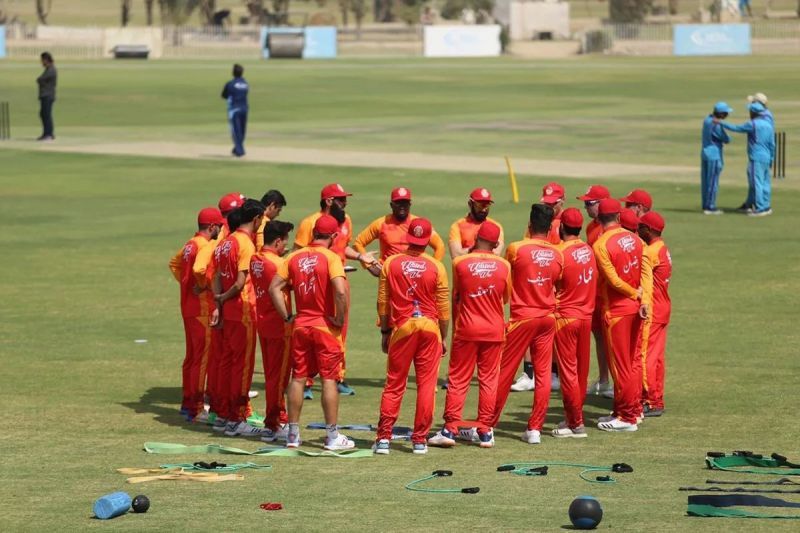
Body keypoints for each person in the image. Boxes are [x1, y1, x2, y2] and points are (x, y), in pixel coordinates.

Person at [269, 215, 355, 450]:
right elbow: (339, 291)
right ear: (334, 236)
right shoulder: (331, 258)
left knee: (298, 377)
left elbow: (273, 287)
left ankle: (293, 435)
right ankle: (332, 436)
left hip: (301, 325)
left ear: (313, 233)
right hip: (325, 328)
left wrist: (287, 315)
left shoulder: (293, 257)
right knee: (329, 378)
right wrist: (339, 317)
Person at [428, 221, 510, 449]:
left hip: (467, 329)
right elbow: (505, 298)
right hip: (494, 330)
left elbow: (457, 295)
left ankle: (450, 429)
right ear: (495, 244)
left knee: (458, 379)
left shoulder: (460, 263)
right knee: (489, 379)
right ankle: (485, 431)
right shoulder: (504, 266)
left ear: (476, 240)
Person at [373, 218, 450, 455]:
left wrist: (385, 331)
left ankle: (384, 438)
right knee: (427, 386)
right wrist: (443, 337)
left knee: (395, 384)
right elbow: (444, 308)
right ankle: (419, 440)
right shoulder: (437, 266)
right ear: (427, 240)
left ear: (408, 237)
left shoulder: (391, 263)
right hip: (430, 329)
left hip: (402, 328)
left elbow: (383, 303)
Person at [492, 204, 563, 445]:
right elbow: (558, 282)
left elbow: (502, 273)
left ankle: (489, 424)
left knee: (505, 370)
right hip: (547, 318)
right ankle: (535, 429)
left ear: (530, 225)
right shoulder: (557, 253)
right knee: (543, 375)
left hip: (523, 317)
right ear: (551, 227)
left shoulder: (516, 248)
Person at [294, 183, 363, 396]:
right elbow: (298, 252)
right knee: (315, 329)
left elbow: (344, 247)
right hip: (316, 284)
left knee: (339, 331)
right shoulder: (310, 223)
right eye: (341, 200)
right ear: (329, 201)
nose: (345, 203)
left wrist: (361, 257)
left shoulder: (346, 220)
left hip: (340, 281)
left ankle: (337, 376)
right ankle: (306, 379)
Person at [592, 198, 651, 432]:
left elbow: (613, 280)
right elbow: (646, 273)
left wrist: (632, 292)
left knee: (620, 366)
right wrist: (643, 298)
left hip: (617, 311)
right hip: (637, 308)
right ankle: (632, 411)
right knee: (633, 363)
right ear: (618, 217)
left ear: (598, 219)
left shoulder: (600, 244)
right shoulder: (636, 239)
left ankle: (626, 418)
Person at [211, 199, 265, 437]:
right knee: (242, 367)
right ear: (256, 219)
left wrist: (218, 299)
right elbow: (241, 281)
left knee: (227, 364)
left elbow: (215, 276)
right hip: (243, 310)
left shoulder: (225, 242)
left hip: (229, 312)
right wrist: (224, 297)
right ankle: (237, 418)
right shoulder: (245, 243)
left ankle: (223, 415)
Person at [168, 207, 225, 421]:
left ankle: (187, 403)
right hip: (202, 309)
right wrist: (203, 286)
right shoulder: (206, 245)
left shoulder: (190, 244)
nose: (220, 229)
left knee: (192, 357)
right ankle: (197, 408)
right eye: (219, 226)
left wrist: (185, 284)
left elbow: (174, 264)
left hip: (188, 307)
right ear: (211, 226)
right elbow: (199, 271)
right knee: (201, 359)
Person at [552, 208, 597, 438]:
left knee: (568, 372)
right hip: (585, 317)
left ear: (562, 227)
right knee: (580, 372)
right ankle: (573, 417)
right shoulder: (588, 250)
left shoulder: (560, 253)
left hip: (566, 317)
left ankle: (575, 424)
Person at [249, 220, 295, 442]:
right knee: (280, 377)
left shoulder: (256, 259)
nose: (286, 246)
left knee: (271, 375)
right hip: (280, 326)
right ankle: (274, 423)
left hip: (263, 323)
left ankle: (278, 418)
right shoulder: (278, 264)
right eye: (285, 242)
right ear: (277, 241)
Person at [353, 187, 446, 277]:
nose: (402, 206)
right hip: (389, 276)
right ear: (391, 205)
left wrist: (432, 268)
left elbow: (439, 246)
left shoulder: (419, 225)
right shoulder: (381, 224)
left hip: (413, 274)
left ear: (410, 204)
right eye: (398, 203)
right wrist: (369, 266)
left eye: (405, 203)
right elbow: (358, 243)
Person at [576, 185, 613, 398]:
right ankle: (604, 379)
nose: (586, 207)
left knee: (613, 339)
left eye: (590, 203)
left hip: (610, 293)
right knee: (598, 336)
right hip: (594, 292)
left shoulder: (614, 229)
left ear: (602, 204)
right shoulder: (591, 228)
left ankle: (618, 383)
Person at [637, 212, 671, 418]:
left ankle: (649, 400)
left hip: (653, 309)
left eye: (640, 227)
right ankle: (657, 399)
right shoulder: (663, 248)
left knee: (645, 356)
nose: (637, 229)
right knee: (657, 358)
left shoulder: (650, 252)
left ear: (648, 230)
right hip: (663, 306)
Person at [720, 101, 776, 217]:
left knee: (756, 183)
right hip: (766, 157)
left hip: (756, 157)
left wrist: (722, 123)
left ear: (753, 112)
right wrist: (772, 158)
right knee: (765, 183)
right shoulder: (768, 124)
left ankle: (760, 209)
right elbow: (772, 144)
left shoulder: (753, 124)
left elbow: (737, 128)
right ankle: (766, 206)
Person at [449, 188, 504, 258]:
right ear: (470, 204)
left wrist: (470, 250)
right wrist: (476, 249)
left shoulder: (496, 226)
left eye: (487, 205)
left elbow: (496, 253)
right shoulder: (457, 226)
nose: (484, 209)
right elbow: (456, 255)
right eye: (480, 205)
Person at [701, 102, 732, 215]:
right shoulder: (717, 125)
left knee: (706, 181)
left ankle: (705, 204)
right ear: (722, 114)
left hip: (705, 152)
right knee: (713, 181)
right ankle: (710, 206)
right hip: (714, 155)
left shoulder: (707, 120)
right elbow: (727, 139)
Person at [221, 63, 249, 157]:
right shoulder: (245, 84)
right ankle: (237, 148)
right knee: (242, 130)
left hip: (234, 109)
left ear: (233, 73)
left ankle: (240, 151)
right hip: (244, 108)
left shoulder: (230, 84)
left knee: (235, 131)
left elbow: (224, 95)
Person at [36, 52, 57, 141]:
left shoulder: (51, 69)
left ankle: (49, 134)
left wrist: (39, 80)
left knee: (46, 114)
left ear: (46, 60)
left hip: (47, 95)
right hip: (46, 95)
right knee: (43, 114)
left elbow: (40, 79)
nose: (42, 62)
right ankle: (46, 133)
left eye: (42, 60)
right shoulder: (49, 69)